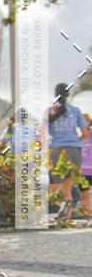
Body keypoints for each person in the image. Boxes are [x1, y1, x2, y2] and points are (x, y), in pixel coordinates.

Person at [42, 83, 91, 221]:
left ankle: (65, 208)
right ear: (68, 95)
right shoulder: (76, 111)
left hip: (56, 151)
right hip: (74, 151)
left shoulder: (48, 111)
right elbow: (85, 133)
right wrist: (75, 141)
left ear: (54, 94)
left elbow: (41, 134)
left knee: (54, 187)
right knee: (67, 186)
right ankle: (67, 215)